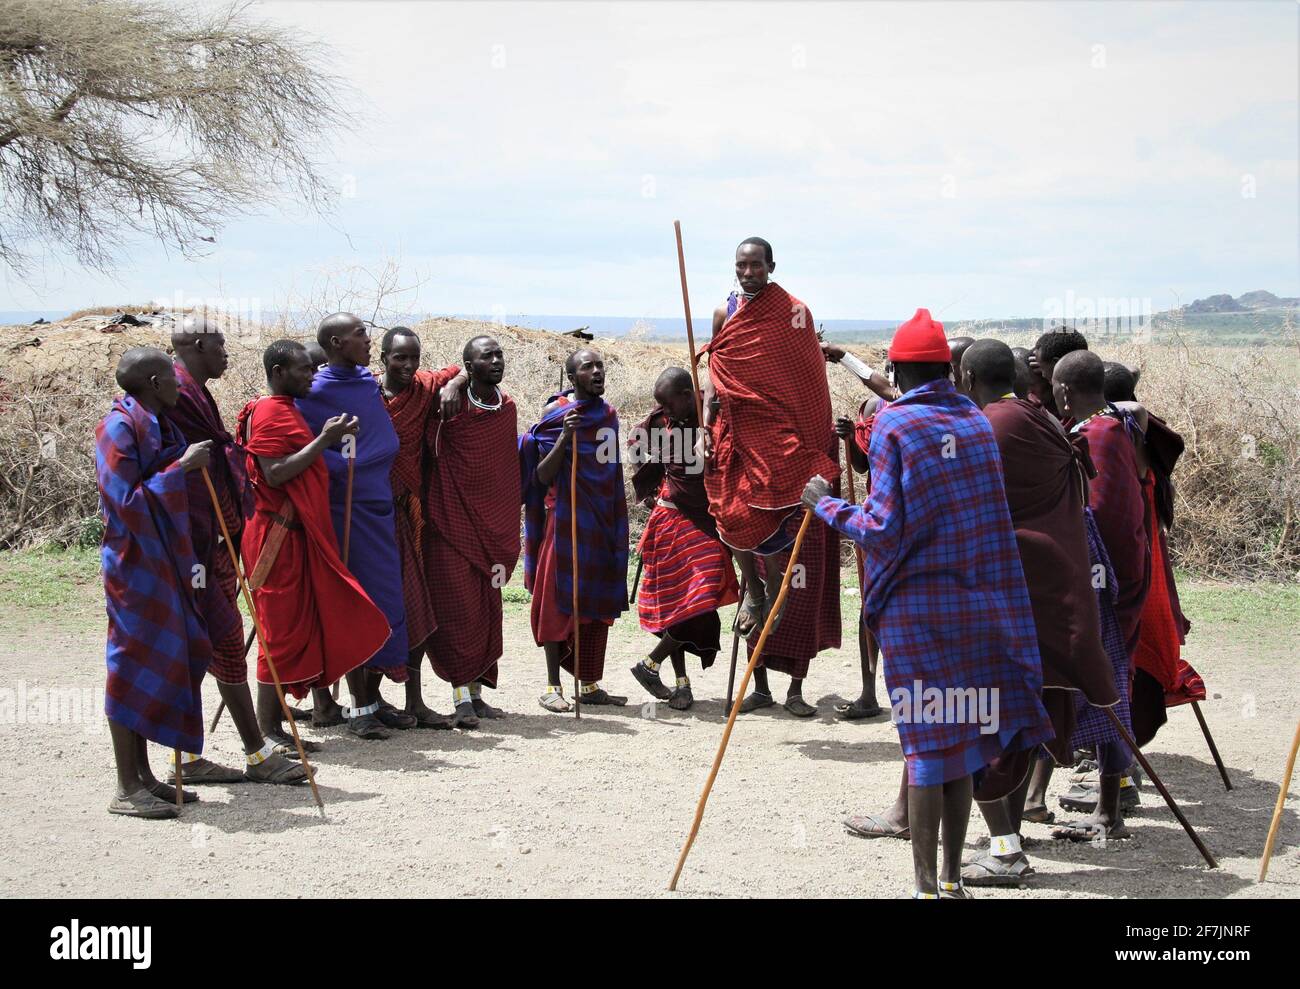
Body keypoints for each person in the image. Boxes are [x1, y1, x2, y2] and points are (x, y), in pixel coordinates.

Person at [806, 309, 1052, 899]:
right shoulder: (972, 418)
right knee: (961, 738)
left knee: (924, 745)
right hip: (979, 608)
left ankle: (924, 886)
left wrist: (826, 505)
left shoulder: (895, 425)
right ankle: (950, 878)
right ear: (948, 370)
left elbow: (885, 526)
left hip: (920, 612)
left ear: (896, 367)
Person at [957, 340, 1120, 884]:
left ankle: (1005, 850)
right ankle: (1012, 834)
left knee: (984, 726)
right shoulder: (1035, 416)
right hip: (1054, 597)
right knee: (1016, 721)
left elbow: (967, 511)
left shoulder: (995, 428)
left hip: (1016, 606)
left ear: (966, 377)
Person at [166, 316, 306, 784]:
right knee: (223, 640)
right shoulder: (178, 393)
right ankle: (256, 752)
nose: (227, 354)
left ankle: (187, 758)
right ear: (200, 344)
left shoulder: (193, 390)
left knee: (205, 641)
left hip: (213, 537)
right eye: (221, 346)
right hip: (195, 541)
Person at [237, 340, 391, 752]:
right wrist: (324, 440)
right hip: (277, 536)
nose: (312, 376)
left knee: (292, 627)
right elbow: (274, 474)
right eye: (304, 370)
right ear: (278, 371)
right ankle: (266, 730)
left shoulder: (286, 408)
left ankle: (279, 724)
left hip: (294, 534)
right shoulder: (270, 412)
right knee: (278, 634)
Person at [700, 237, 839, 642]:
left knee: (771, 505)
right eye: (741, 266)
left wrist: (807, 424)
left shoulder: (794, 312)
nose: (748, 273)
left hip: (775, 429)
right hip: (730, 426)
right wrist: (704, 428)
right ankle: (755, 587)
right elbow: (716, 372)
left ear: (772, 266)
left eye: (756, 266)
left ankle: (774, 581)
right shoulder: (722, 312)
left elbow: (805, 374)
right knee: (727, 509)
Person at [95, 347, 214, 818]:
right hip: (134, 562)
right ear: (151, 381)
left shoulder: (160, 424)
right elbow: (124, 502)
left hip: (167, 558)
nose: (179, 385)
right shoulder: (117, 428)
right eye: (170, 377)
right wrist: (180, 468)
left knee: (162, 658)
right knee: (130, 665)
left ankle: (145, 776)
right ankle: (126, 787)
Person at [295, 312, 414, 739]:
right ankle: (357, 707)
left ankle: (374, 699)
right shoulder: (314, 392)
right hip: (342, 511)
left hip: (378, 507)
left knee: (386, 604)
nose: (368, 340)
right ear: (334, 343)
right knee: (354, 606)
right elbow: (303, 447)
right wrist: (339, 461)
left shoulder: (366, 382)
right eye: (359, 334)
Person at [1049, 349, 1150, 840]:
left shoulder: (1097, 435)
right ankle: (1106, 800)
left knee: (1106, 686)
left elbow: (1099, 519)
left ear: (1064, 391)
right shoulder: (1118, 427)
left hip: (1107, 582)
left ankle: (1110, 807)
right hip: (1121, 575)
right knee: (1107, 682)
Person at [520, 348, 629, 711]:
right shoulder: (556, 415)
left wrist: (615, 520)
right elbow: (540, 476)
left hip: (599, 520)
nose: (597, 372)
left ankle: (590, 683)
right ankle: (552, 686)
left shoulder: (608, 415)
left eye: (600, 366)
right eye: (588, 367)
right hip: (564, 521)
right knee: (556, 601)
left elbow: (610, 471)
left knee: (595, 604)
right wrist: (566, 438)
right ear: (571, 377)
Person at [424, 335, 523, 723]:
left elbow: (502, 470)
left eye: (499, 355)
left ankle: (477, 693)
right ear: (469, 365)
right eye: (487, 356)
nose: (497, 361)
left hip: (494, 525)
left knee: (487, 611)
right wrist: (454, 383)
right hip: (450, 521)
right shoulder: (450, 406)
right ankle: (460, 697)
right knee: (458, 611)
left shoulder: (507, 406)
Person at [628, 367, 739, 710]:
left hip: (706, 521)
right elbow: (635, 442)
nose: (665, 410)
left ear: (689, 395)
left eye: (669, 402)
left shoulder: (714, 417)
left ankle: (650, 663)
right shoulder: (660, 423)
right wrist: (648, 486)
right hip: (670, 518)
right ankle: (681, 683)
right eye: (660, 404)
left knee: (701, 598)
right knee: (677, 603)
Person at [376, 326, 469, 728]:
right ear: (382, 358)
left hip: (406, 510)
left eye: (414, 357)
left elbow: (460, 368)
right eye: (400, 358)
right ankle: (369, 700)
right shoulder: (364, 393)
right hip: (367, 515)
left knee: (416, 604)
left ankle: (415, 700)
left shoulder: (423, 387)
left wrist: (456, 386)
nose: (408, 365)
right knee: (371, 606)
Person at [1026, 328, 1088, 417]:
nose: (1043, 374)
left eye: (1043, 369)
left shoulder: (1077, 414)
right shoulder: (1099, 403)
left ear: (1057, 364)